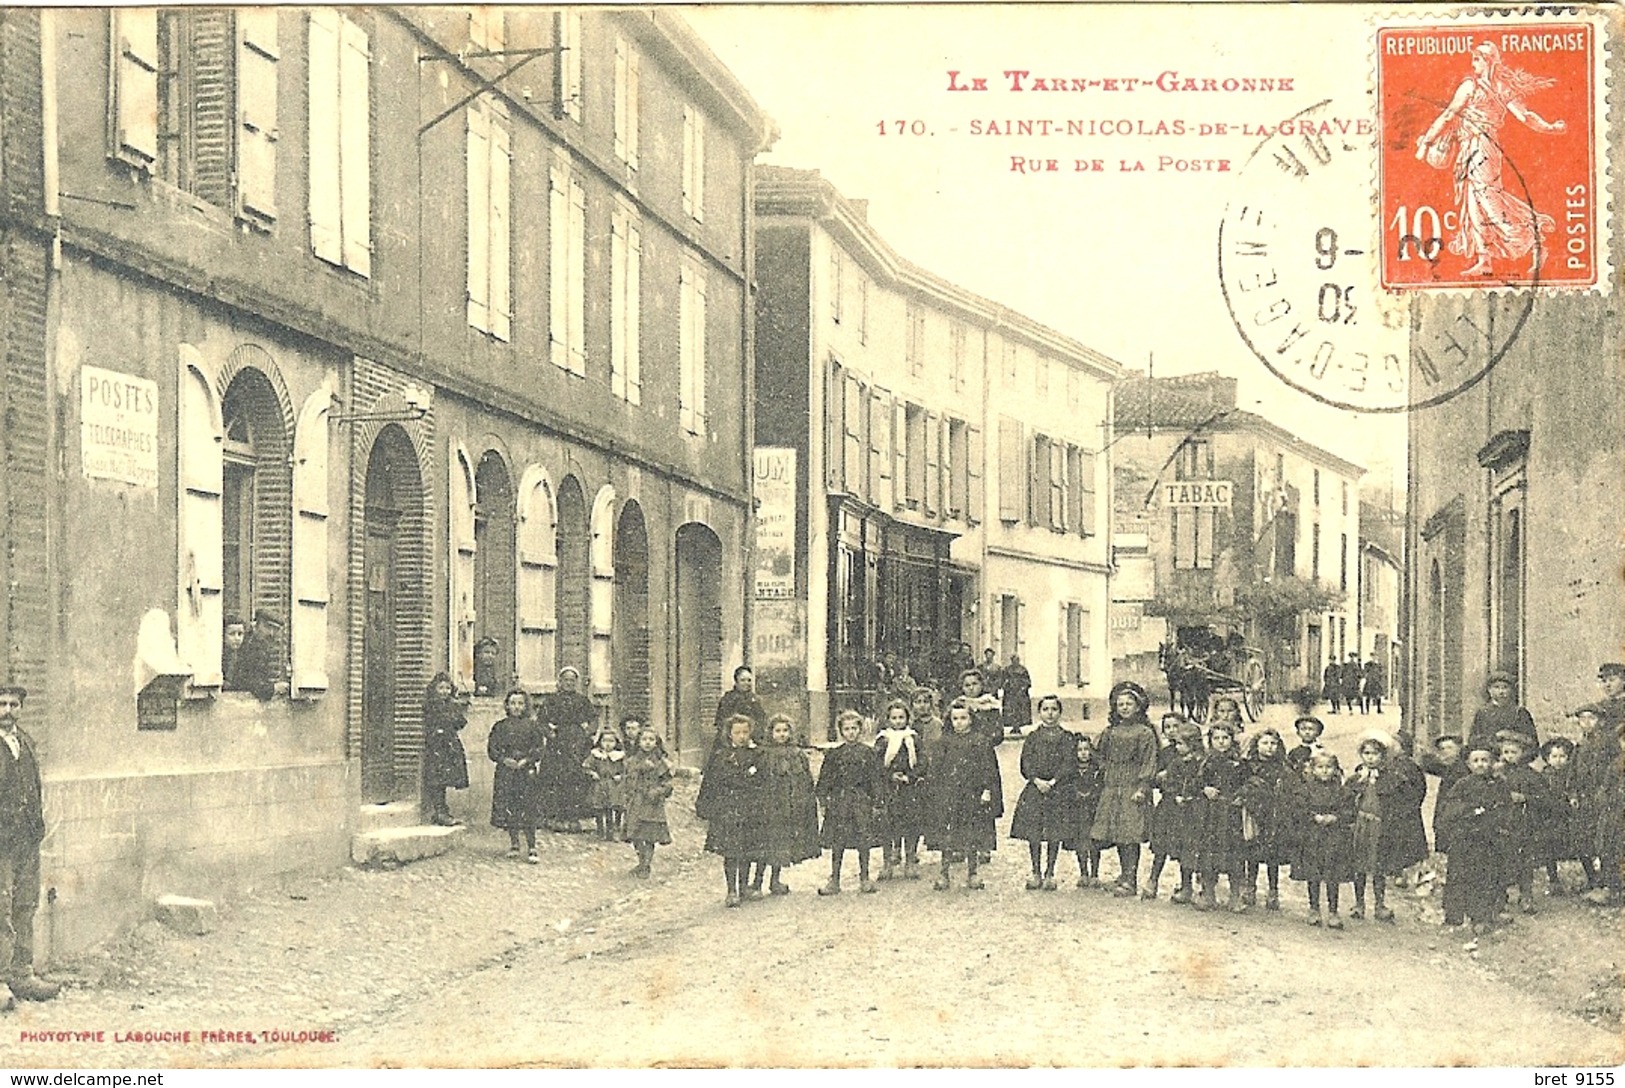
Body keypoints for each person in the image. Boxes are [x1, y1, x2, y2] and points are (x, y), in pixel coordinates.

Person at [1414, 41, 1565, 278]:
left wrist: (1426, 142)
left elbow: (1448, 115)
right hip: (1473, 146)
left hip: (1481, 147)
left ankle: (1534, 243)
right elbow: (1525, 116)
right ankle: (1484, 260)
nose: (1473, 64)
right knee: (1474, 202)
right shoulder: (1499, 87)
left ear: (1488, 61)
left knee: (1487, 199)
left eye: (1477, 59)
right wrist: (1550, 127)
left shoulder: (1472, 86)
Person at [0, 684, 59, 1005]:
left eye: (14, 705)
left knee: (25, 905)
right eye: (2, 704)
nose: (8, 711)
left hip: (26, 840)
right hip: (0, 843)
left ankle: (22, 975)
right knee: (1, 909)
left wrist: (36, 826)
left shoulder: (26, 742)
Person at [1345, 731, 1429, 922]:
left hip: (1381, 828)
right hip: (1360, 827)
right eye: (1366, 754)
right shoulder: (1357, 779)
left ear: (1383, 756)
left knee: (1378, 867)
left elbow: (1401, 802)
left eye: (1375, 754)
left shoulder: (1392, 779)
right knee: (1359, 866)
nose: (1370, 758)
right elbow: (1346, 800)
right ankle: (1359, 904)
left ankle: (1379, 904)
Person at [1091, 681, 1159, 897]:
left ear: (1138, 707)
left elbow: (1149, 762)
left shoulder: (1145, 733)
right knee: (1118, 833)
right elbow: (1098, 754)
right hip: (1113, 786)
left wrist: (1143, 787)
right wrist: (1104, 769)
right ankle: (1123, 874)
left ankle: (1131, 879)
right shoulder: (1110, 731)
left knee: (1131, 835)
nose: (1124, 708)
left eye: (1129, 704)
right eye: (1120, 704)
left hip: (1133, 787)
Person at [926, 698, 1002, 891]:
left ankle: (973, 873)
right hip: (949, 795)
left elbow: (989, 770)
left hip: (972, 796)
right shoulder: (943, 742)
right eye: (955, 719)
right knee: (948, 837)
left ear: (971, 719)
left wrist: (987, 791)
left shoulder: (980, 741)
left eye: (963, 718)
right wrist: (936, 793)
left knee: (972, 835)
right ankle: (944, 874)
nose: (959, 722)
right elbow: (936, 770)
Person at [1436, 745, 1511, 941]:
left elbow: (1505, 809)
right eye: (1475, 761)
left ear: (1492, 763)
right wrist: (1471, 810)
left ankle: (1481, 917)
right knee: (1459, 877)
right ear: (1468, 764)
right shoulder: (1462, 785)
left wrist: (1496, 820)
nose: (1480, 764)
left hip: (1488, 841)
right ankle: (1454, 917)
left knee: (1485, 878)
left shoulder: (1498, 785)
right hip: (1464, 840)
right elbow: (1450, 809)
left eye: (1484, 760)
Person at [697, 714, 766, 907]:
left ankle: (743, 887)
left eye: (745, 732)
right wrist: (705, 806)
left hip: (750, 808)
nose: (742, 736)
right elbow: (710, 782)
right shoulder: (721, 756)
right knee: (730, 851)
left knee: (746, 850)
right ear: (729, 734)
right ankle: (731, 890)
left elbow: (763, 781)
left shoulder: (758, 755)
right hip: (728, 809)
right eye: (737, 732)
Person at [1009, 695, 1077, 891]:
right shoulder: (1033, 737)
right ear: (1039, 713)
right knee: (1034, 833)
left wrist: (1054, 782)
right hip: (1036, 789)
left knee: (1055, 832)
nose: (1050, 713)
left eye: (1054, 709)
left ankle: (1050, 873)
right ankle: (1036, 871)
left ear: (1060, 712)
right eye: (1045, 709)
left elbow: (1068, 763)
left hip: (1057, 790)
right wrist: (1037, 781)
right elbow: (1025, 763)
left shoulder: (1066, 738)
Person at [816, 710, 884, 896]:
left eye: (854, 728)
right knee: (838, 841)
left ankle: (865, 878)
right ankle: (835, 880)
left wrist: (877, 802)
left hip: (861, 802)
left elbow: (876, 779)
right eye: (846, 729)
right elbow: (824, 780)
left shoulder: (869, 753)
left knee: (863, 840)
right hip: (840, 803)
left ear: (860, 730)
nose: (851, 732)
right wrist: (823, 801)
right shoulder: (834, 755)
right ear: (841, 731)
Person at [752, 714, 820, 896]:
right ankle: (757, 882)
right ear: (771, 733)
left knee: (782, 846)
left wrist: (804, 802)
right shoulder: (763, 754)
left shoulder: (797, 754)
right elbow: (756, 781)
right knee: (765, 845)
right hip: (769, 806)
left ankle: (775, 881)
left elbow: (805, 781)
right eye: (778, 731)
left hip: (788, 807)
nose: (781, 735)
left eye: (785, 731)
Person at [1292, 751, 1356, 929]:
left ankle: (1334, 911)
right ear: (1312, 770)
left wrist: (1335, 817)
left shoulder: (1342, 791)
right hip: (1312, 836)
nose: (1325, 771)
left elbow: (1350, 811)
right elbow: (1298, 809)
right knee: (1313, 874)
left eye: (1329, 767)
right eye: (1320, 767)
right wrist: (1314, 817)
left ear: (1336, 770)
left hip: (1335, 837)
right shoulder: (1305, 790)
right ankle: (1314, 909)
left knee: (1332, 874)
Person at [1142, 720, 1202, 904]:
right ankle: (1153, 880)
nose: (1177, 747)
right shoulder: (1174, 763)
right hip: (1169, 809)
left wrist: (1191, 796)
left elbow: (1201, 783)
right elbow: (1167, 782)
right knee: (1161, 846)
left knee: (1187, 850)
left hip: (1190, 812)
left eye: (1181, 744)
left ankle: (1186, 887)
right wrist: (1173, 793)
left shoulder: (1200, 764)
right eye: (1176, 743)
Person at [1193, 719, 1249, 913]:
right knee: (1209, 855)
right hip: (1211, 816)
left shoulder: (1240, 764)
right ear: (1211, 741)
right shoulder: (1205, 763)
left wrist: (1241, 796)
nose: (1221, 742)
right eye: (1216, 738)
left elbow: (1249, 783)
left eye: (1225, 738)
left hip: (1231, 815)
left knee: (1234, 855)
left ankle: (1235, 896)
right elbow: (1196, 783)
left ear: (1232, 740)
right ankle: (1208, 894)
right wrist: (1204, 789)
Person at [1572, 703, 1623, 906]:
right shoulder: (1581, 744)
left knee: (1606, 839)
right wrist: (1573, 792)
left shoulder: (1608, 741)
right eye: (1582, 719)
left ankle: (1610, 886)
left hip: (1605, 798)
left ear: (1601, 721)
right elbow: (1574, 770)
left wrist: (1606, 790)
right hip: (1586, 799)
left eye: (1591, 718)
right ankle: (1595, 881)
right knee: (1585, 839)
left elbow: (1614, 768)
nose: (1587, 723)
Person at [487, 689, 545, 863]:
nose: (516, 707)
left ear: (526, 705)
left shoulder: (533, 726)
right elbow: (492, 748)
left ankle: (532, 846)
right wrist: (504, 760)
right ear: (507, 705)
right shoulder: (500, 726)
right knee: (510, 807)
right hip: (507, 772)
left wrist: (527, 760)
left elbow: (539, 748)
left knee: (528, 807)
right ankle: (514, 844)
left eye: (520, 703)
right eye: (513, 703)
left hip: (526, 772)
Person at [1240, 727, 1295, 912]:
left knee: (1273, 855)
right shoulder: (1247, 766)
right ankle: (1250, 887)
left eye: (1273, 743)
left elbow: (1291, 790)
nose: (1269, 747)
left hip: (1274, 816)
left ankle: (1273, 890)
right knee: (1252, 852)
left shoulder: (1283, 768)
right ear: (1256, 745)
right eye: (1265, 743)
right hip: (1254, 815)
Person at [538, 667, 596, 833]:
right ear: (560, 682)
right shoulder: (551, 700)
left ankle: (574, 818)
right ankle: (554, 818)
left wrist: (587, 732)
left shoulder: (583, 701)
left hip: (577, 744)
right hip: (556, 745)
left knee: (576, 780)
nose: (569, 683)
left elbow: (593, 720)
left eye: (572, 680)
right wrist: (550, 733)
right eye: (566, 680)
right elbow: (541, 721)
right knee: (554, 780)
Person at [875, 700, 927, 882]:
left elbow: (922, 762)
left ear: (907, 718)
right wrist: (889, 776)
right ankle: (888, 863)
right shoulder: (883, 739)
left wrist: (910, 777)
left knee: (911, 824)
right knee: (888, 826)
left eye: (901, 717)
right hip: (889, 789)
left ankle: (910, 861)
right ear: (888, 719)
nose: (898, 721)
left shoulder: (913, 738)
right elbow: (875, 764)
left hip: (909, 789)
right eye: (894, 718)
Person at [1494, 731, 1544, 915]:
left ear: (1523, 753)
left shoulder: (1532, 775)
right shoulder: (1497, 772)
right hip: (1501, 822)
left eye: (1513, 752)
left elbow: (1544, 799)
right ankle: (1500, 896)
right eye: (1505, 752)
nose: (1508, 756)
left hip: (1523, 823)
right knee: (1500, 859)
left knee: (1524, 861)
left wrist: (1525, 797)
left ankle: (1526, 895)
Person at [623, 725, 673, 879]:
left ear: (657, 743)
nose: (647, 742)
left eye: (651, 739)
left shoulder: (661, 763)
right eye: (644, 739)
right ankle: (641, 861)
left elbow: (668, 784)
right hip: (636, 802)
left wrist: (657, 791)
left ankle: (646, 865)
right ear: (638, 742)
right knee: (636, 835)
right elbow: (626, 780)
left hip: (652, 804)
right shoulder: (631, 761)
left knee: (649, 835)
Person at [420, 672, 470, 827]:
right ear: (434, 689)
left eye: (447, 688)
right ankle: (440, 812)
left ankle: (443, 811)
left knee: (445, 779)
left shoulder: (451, 704)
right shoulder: (431, 705)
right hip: (436, 746)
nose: (444, 691)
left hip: (450, 746)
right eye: (440, 688)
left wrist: (458, 708)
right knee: (437, 780)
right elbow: (431, 723)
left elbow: (461, 723)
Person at [1538, 737, 1583, 896]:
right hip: (1550, 816)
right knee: (1549, 847)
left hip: (1567, 815)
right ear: (1547, 758)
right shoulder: (1544, 776)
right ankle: (1553, 879)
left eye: (1562, 756)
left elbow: (1573, 789)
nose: (1558, 761)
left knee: (1577, 843)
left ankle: (1590, 878)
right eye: (1554, 757)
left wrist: (1573, 798)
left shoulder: (1571, 775)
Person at [1065, 733, 1106, 889]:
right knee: (1080, 843)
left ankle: (1095, 873)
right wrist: (1076, 794)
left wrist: (1092, 794)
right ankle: (1083, 872)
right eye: (1079, 749)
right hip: (1077, 811)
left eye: (1086, 749)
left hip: (1092, 810)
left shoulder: (1096, 770)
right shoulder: (1072, 770)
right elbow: (1068, 786)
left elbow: (1100, 786)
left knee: (1094, 843)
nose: (1083, 753)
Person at [1419, 734, 1469, 857]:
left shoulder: (1464, 769)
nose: (1446, 752)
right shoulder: (1447, 768)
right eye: (1442, 749)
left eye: (1449, 748)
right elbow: (1427, 765)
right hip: (1444, 816)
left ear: (1459, 749)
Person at [1468, 670, 1538, 755]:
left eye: (1505, 687)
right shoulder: (1483, 713)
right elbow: (1473, 742)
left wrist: (1513, 736)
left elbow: (1533, 744)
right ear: (1489, 690)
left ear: (1511, 690)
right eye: (1496, 687)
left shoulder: (1520, 713)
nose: (1501, 691)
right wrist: (1495, 737)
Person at [582, 725, 629, 842]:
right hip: (600, 784)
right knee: (600, 808)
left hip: (614, 785)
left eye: (611, 741)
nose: (608, 744)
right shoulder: (596, 755)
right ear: (600, 742)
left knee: (616, 807)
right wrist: (592, 773)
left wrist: (620, 776)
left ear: (616, 742)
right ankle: (600, 830)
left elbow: (627, 770)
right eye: (605, 741)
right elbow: (586, 766)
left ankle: (614, 830)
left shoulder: (619, 756)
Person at [235, 609, 289, 700]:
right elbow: (249, 683)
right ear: (256, 625)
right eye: (267, 627)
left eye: (276, 629)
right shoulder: (248, 645)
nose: (271, 633)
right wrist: (274, 688)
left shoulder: (262, 646)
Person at [712, 667, 770, 752]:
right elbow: (721, 721)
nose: (746, 683)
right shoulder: (728, 698)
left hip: (751, 739)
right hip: (730, 741)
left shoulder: (755, 699)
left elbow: (761, 720)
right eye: (743, 680)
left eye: (749, 680)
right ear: (736, 681)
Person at [957, 670, 1004, 749]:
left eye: (975, 684)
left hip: (984, 749)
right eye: (967, 685)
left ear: (982, 685)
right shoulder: (957, 706)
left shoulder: (990, 706)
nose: (971, 688)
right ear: (962, 688)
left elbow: (998, 734)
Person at [1000, 655, 1033, 739]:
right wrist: (1007, 685)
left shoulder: (1023, 670)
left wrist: (1022, 688)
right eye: (1014, 660)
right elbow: (1002, 681)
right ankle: (1013, 726)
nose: (1015, 661)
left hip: (1020, 695)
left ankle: (1018, 726)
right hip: (1010, 695)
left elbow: (1028, 681)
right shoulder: (1007, 670)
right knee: (1011, 710)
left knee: (1020, 710)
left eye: (1017, 660)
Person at [220, 615, 247, 691]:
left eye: (240, 634)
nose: (237, 638)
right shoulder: (220, 657)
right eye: (232, 634)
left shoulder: (244, 656)